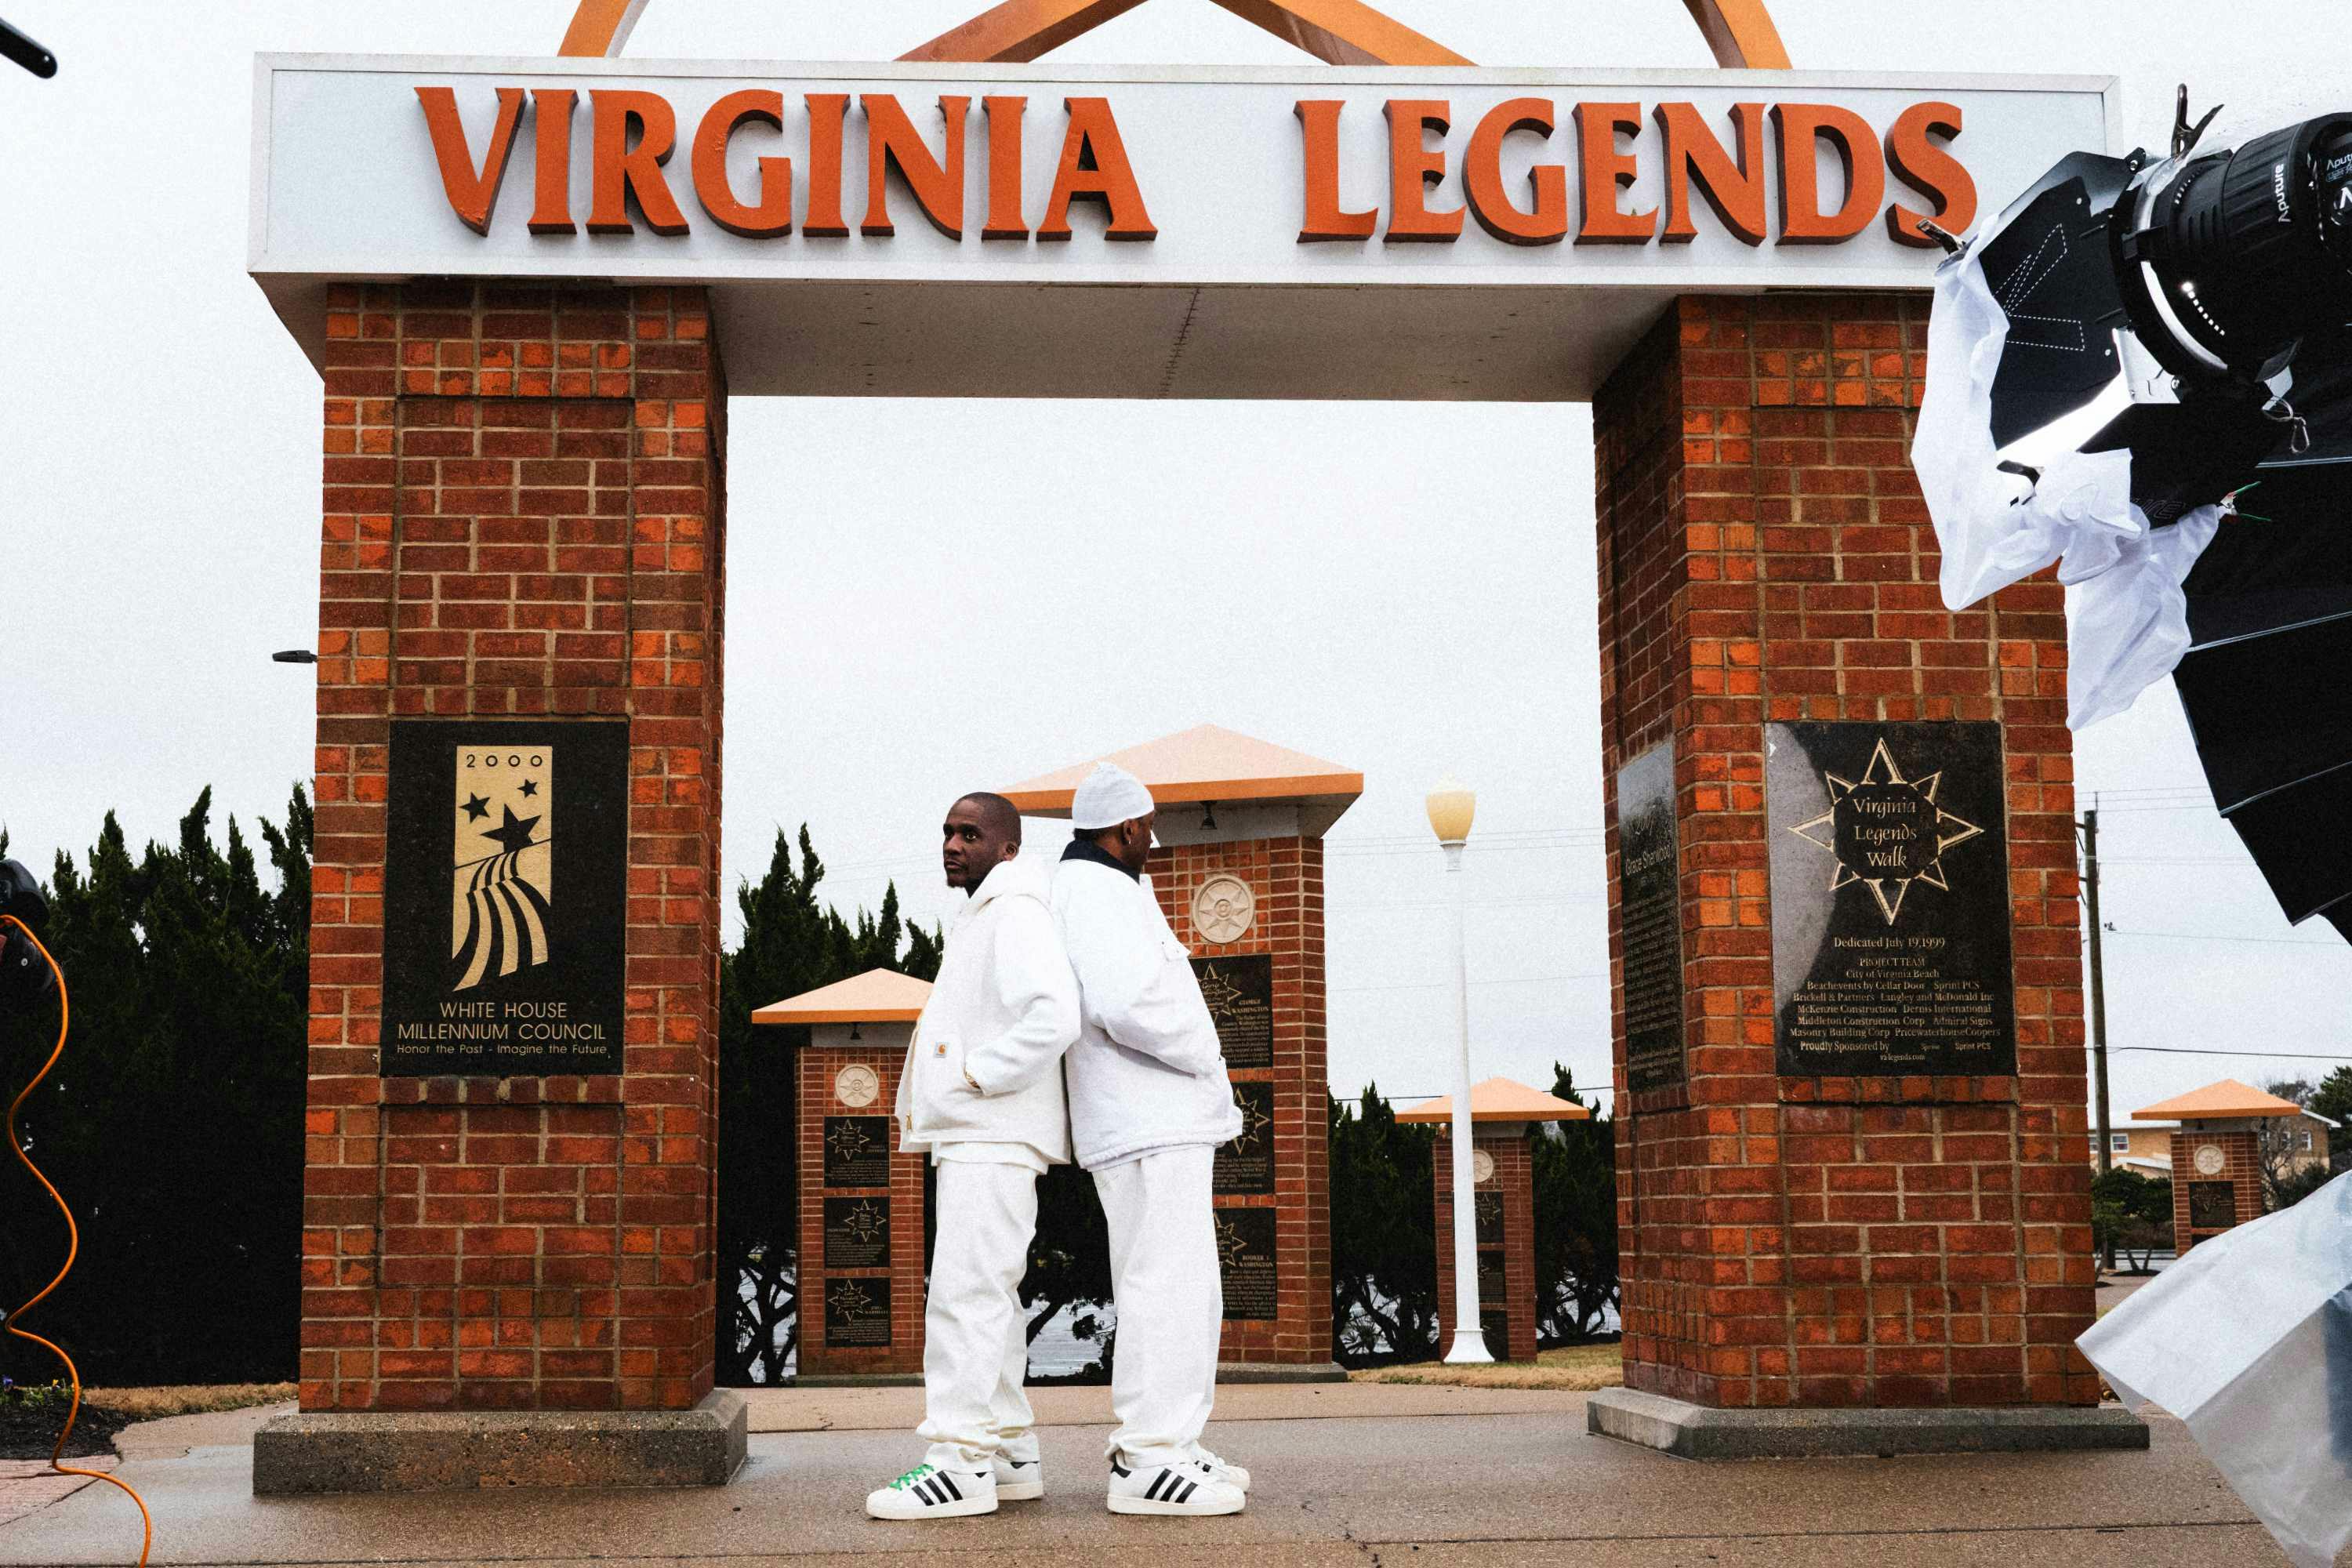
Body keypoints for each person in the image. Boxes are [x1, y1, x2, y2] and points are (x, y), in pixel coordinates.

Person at [866, 793, 1080, 1521]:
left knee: (965, 1296)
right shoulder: (987, 911)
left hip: (991, 1130)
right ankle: (1010, 1451)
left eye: (971, 834)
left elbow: (1054, 1012)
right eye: (948, 832)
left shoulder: (1015, 911)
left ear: (1009, 847)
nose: (953, 845)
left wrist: (973, 1076)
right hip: (982, 1133)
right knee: (990, 1294)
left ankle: (958, 1463)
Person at [1051, 762, 1250, 1516]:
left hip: (1154, 1121)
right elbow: (1127, 1001)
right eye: (1147, 832)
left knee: (1185, 1283)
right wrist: (1207, 1054)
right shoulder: (1097, 892)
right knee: (1163, 1285)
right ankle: (1148, 1458)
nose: (1151, 846)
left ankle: (1175, 1440)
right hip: (1147, 1121)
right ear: (1127, 827)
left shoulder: (1105, 888)